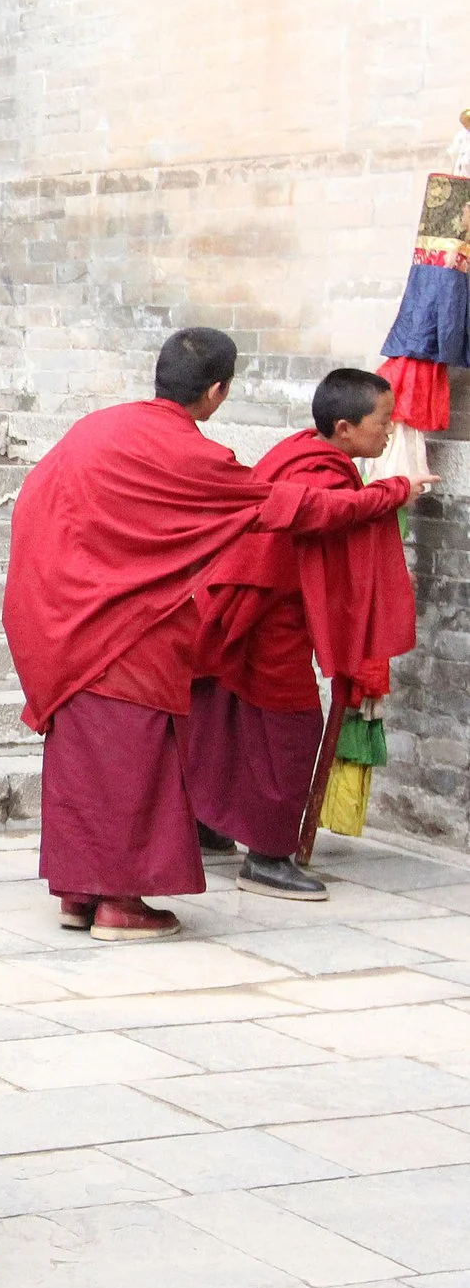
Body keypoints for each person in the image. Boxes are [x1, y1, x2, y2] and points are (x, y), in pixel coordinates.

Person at [6, 328, 434, 941]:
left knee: (83, 763)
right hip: (126, 626)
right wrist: (394, 492)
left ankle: (79, 896)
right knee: (132, 764)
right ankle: (121, 906)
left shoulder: (97, 428)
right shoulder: (190, 455)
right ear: (217, 392)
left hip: (59, 615)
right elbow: (294, 509)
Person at [189, 367, 423, 898]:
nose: (388, 432)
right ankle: (268, 856)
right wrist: (394, 491)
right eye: (383, 421)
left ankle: (210, 819)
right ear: (344, 428)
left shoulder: (298, 449)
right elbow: (323, 514)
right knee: (288, 732)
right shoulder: (318, 471)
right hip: (268, 612)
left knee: (228, 717)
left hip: (245, 597)